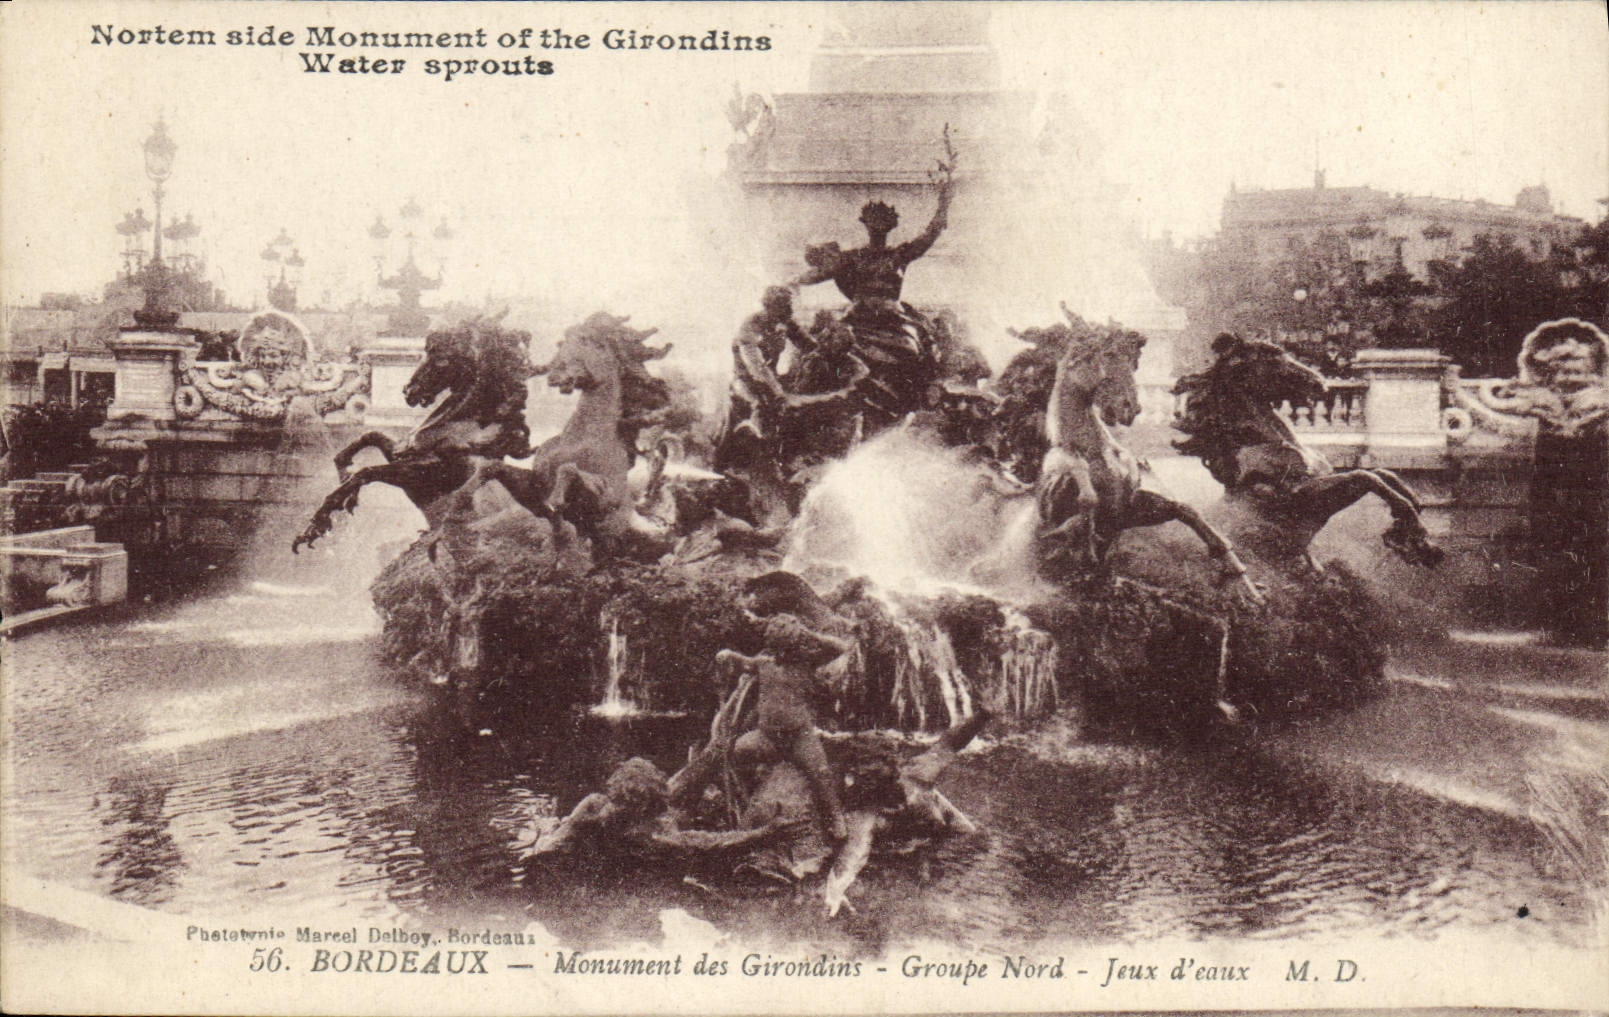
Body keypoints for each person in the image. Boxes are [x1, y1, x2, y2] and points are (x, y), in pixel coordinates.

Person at [716, 573, 857, 841]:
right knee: (739, 750)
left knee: (821, 773)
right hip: (767, 736)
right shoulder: (765, 663)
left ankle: (835, 818)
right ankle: (752, 787)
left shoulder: (805, 664)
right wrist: (727, 656)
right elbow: (744, 661)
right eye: (777, 647)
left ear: (796, 647)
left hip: (798, 737)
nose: (781, 654)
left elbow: (839, 647)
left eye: (786, 648)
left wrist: (808, 633)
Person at [528, 757, 801, 865]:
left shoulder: (600, 807)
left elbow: (705, 842)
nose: (616, 809)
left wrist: (764, 833)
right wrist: (766, 833)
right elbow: (712, 842)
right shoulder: (597, 809)